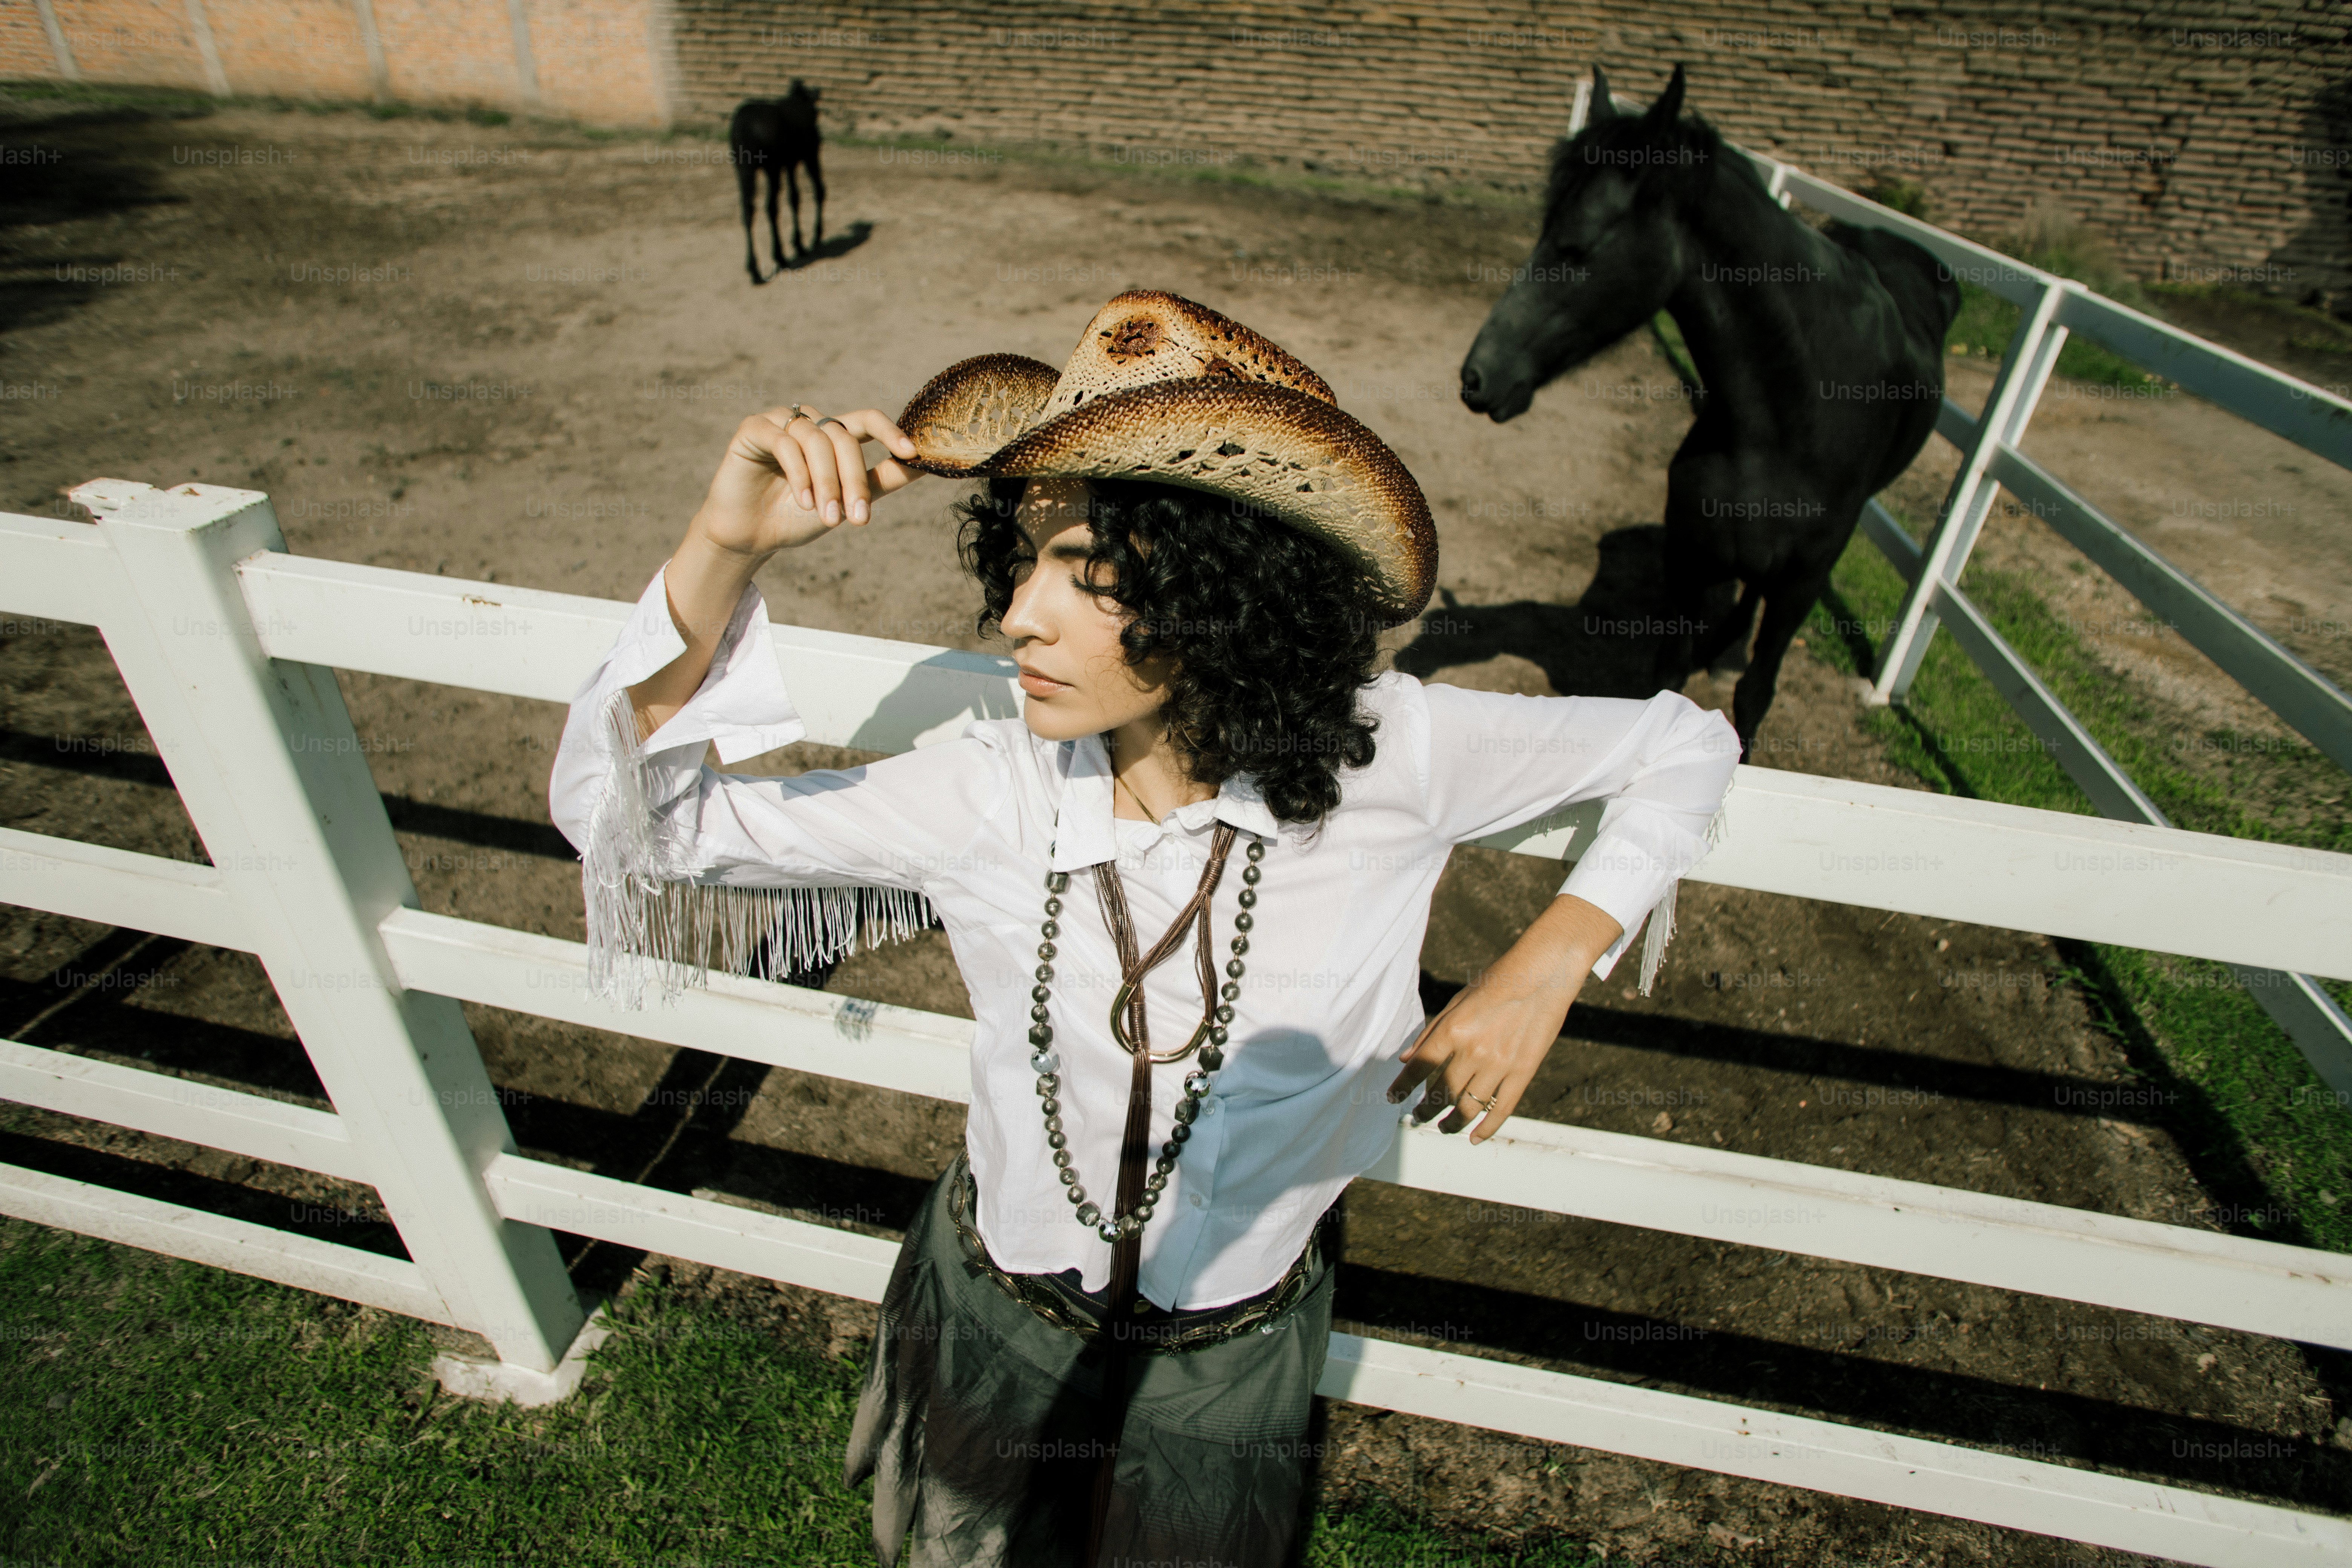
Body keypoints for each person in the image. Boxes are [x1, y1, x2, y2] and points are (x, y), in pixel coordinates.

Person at [548, 290, 1740, 1568]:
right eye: (1026, 558)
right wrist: (726, 545)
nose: (1020, 614)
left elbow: (1682, 742)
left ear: (1227, 587)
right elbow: (632, 826)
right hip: (1001, 1297)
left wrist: (1548, 958)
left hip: (1236, 1335)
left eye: (1089, 569)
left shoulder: (1400, 758)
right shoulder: (988, 786)